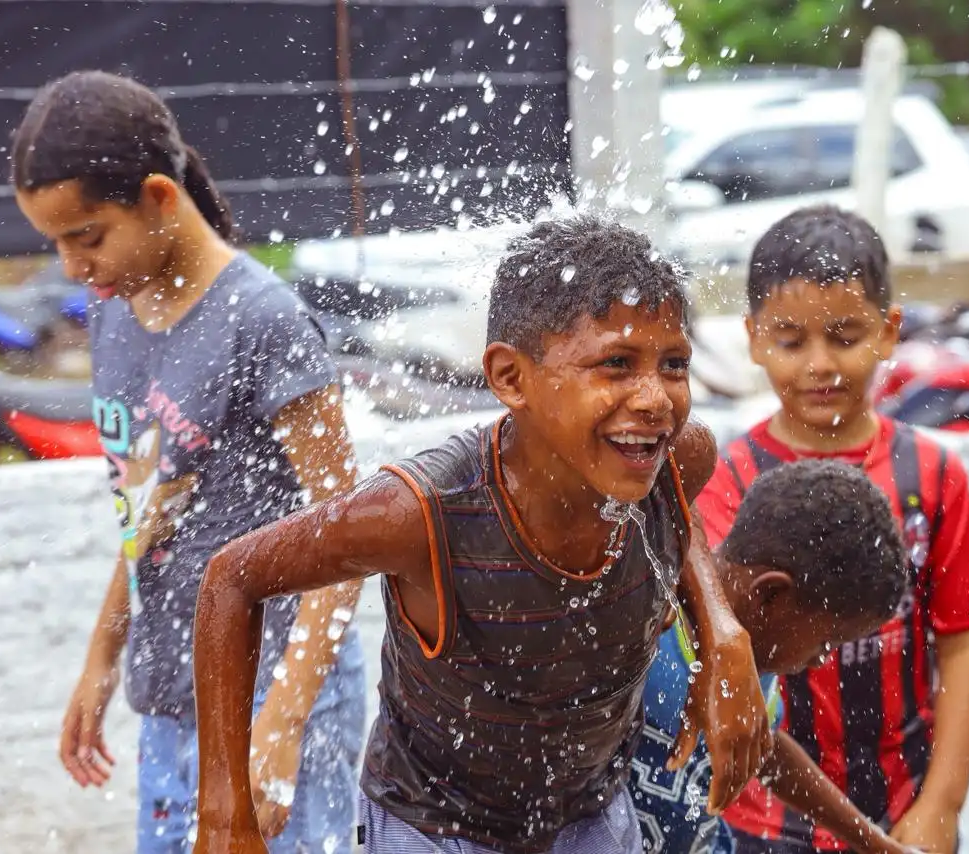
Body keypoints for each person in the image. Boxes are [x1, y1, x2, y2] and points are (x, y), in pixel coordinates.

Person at [190, 215, 774, 854]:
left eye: (673, 364)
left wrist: (721, 631)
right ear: (510, 378)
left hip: (589, 814)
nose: (655, 399)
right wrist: (227, 820)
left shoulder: (674, 457)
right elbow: (232, 579)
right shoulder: (419, 513)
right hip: (437, 827)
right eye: (615, 364)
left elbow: (676, 514)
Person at [11, 70, 367, 853]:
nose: (72, 266)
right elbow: (149, 507)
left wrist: (281, 725)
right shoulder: (116, 315)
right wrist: (102, 658)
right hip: (174, 699)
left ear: (160, 198)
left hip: (276, 703)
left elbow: (348, 545)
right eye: (56, 242)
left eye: (88, 235)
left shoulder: (263, 321)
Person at [700, 205, 969, 854]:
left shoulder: (931, 476)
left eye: (844, 335)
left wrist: (941, 805)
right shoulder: (732, 481)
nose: (819, 364)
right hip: (761, 818)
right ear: (753, 339)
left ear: (888, 332)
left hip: (903, 806)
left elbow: (966, 638)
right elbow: (720, 642)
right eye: (790, 341)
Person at [630, 458, 920, 854]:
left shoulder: (754, 661)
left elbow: (767, 749)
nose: (821, 661)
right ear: (769, 595)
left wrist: (876, 844)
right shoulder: (648, 632)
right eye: (826, 642)